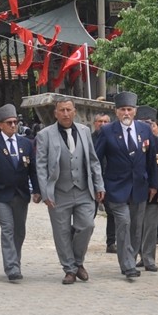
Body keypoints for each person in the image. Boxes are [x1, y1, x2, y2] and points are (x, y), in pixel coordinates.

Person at [34, 96, 105, 284]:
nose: (65, 113)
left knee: (87, 226)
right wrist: (45, 192)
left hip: (83, 189)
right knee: (62, 232)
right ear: (55, 113)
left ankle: (78, 261)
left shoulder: (84, 131)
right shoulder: (45, 135)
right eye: (62, 110)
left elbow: (93, 160)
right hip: (58, 191)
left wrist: (99, 185)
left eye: (68, 110)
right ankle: (70, 269)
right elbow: (40, 166)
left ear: (74, 111)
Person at [95, 92, 158, 278]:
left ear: (135, 111)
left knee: (136, 227)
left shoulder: (144, 130)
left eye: (129, 109)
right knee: (123, 223)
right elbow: (97, 159)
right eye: (122, 109)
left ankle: (129, 258)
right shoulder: (107, 131)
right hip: (116, 187)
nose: (126, 113)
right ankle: (128, 264)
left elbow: (151, 159)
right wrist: (99, 184)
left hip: (139, 186)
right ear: (116, 111)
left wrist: (153, 183)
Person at [0, 103, 40, 283]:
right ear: (0, 125)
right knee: (7, 228)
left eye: (15, 122)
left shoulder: (26, 143)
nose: (13, 125)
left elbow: (33, 170)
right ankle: (11, 267)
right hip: (0, 195)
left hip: (21, 194)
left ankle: (16, 260)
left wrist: (37, 190)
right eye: (9, 122)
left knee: (19, 231)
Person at [137, 105, 158, 247]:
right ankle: (133, 256)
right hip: (134, 192)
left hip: (154, 193)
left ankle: (148, 258)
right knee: (135, 227)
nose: (146, 126)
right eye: (142, 123)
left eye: (149, 123)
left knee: (150, 227)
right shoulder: (131, 142)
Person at [91, 112, 112, 251]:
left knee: (112, 212)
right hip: (91, 182)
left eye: (105, 122)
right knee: (87, 215)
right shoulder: (88, 139)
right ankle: (77, 240)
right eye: (100, 121)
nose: (103, 124)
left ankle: (111, 242)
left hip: (110, 181)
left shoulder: (114, 138)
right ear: (95, 123)